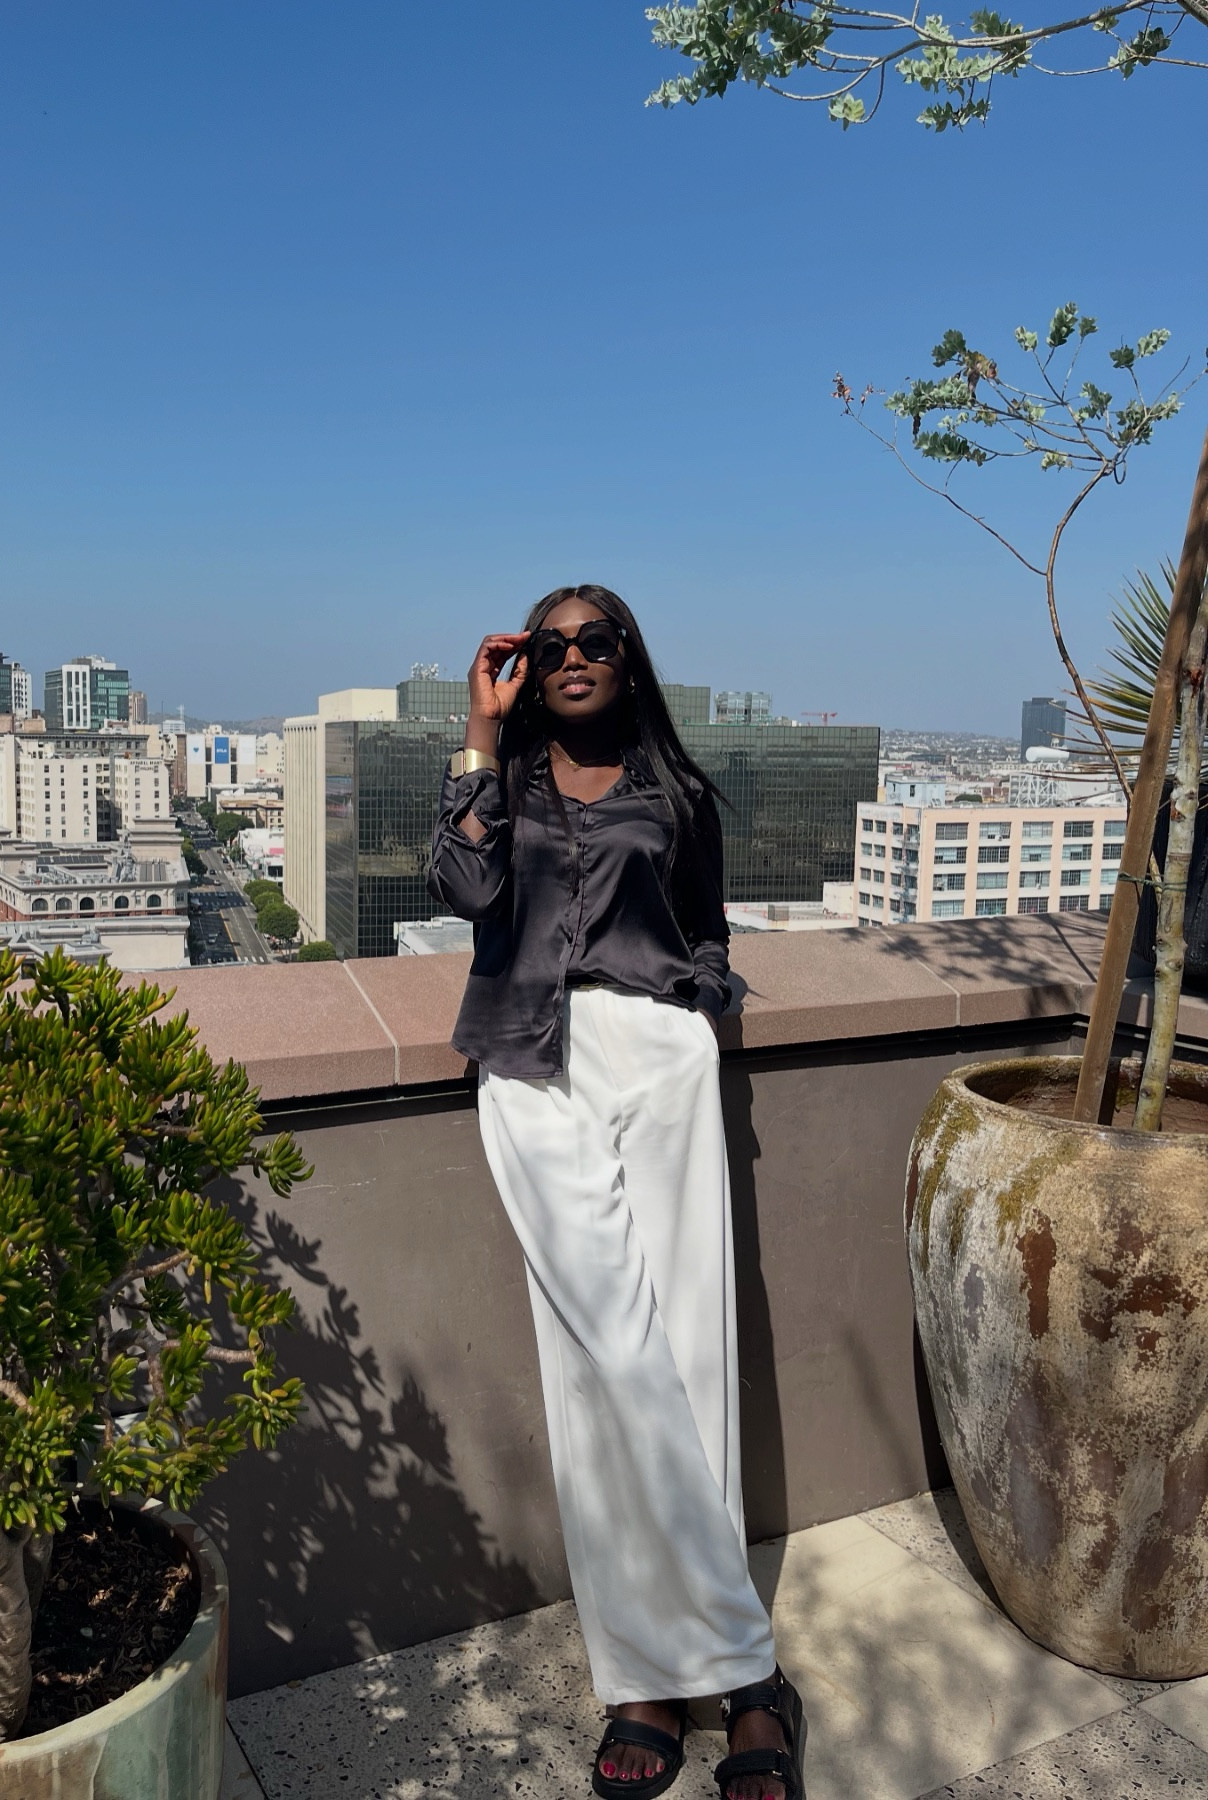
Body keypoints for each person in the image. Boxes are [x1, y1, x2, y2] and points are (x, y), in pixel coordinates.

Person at [428, 586, 805, 1800]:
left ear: (630, 660)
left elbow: (707, 931)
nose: (573, 658)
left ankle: (650, 1679)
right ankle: (744, 1675)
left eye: (596, 641)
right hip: (535, 1075)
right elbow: (463, 894)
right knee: (604, 1362)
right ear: (524, 668)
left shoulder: (676, 794)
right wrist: (478, 741)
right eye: (550, 647)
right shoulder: (509, 778)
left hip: (662, 1067)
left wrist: (687, 1020)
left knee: (690, 1352)